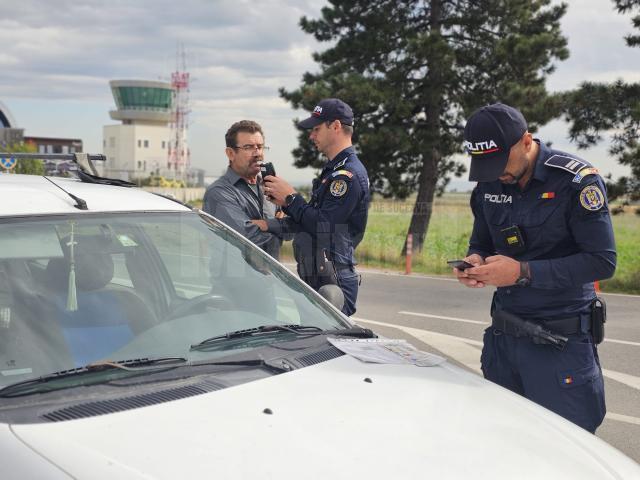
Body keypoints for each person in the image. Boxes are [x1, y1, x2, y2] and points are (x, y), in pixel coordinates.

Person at [455, 102, 616, 433]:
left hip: (559, 344)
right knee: (505, 445)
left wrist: (522, 272)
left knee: (567, 453)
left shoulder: (576, 182)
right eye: (486, 165)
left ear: (526, 141)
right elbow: (481, 242)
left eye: (501, 162)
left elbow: (602, 260)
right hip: (504, 342)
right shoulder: (489, 183)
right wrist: (475, 261)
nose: (497, 172)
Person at [252, 98, 370, 316]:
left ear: (335, 126)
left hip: (332, 281)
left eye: (316, 129)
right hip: (317, 276)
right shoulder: (333, 170)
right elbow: (309, 220)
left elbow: (323, 226)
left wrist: (291, 198)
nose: (311, 136)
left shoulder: (347, 176)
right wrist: (272, 220)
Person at [203, 120, 283, 259]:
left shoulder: (269, 187)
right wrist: (280, 225)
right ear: (230, 153)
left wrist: (269, 224)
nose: (257, 153)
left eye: (260, 147)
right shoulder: (218, 193)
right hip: (234, 279)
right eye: (248, 147)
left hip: (271, 278)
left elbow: (296, 228)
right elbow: (250, 241)